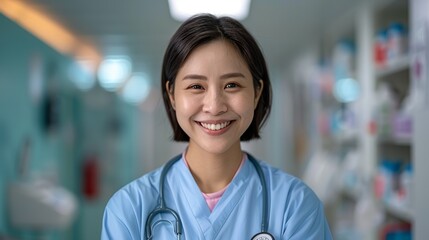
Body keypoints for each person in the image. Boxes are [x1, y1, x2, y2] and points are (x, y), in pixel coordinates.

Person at [101, 14, 332, 240]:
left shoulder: (295, 206)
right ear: (172, 95)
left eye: (232, 85)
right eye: (196, 86)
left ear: (256, 92)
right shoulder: (129, 209)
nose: (214, 106)